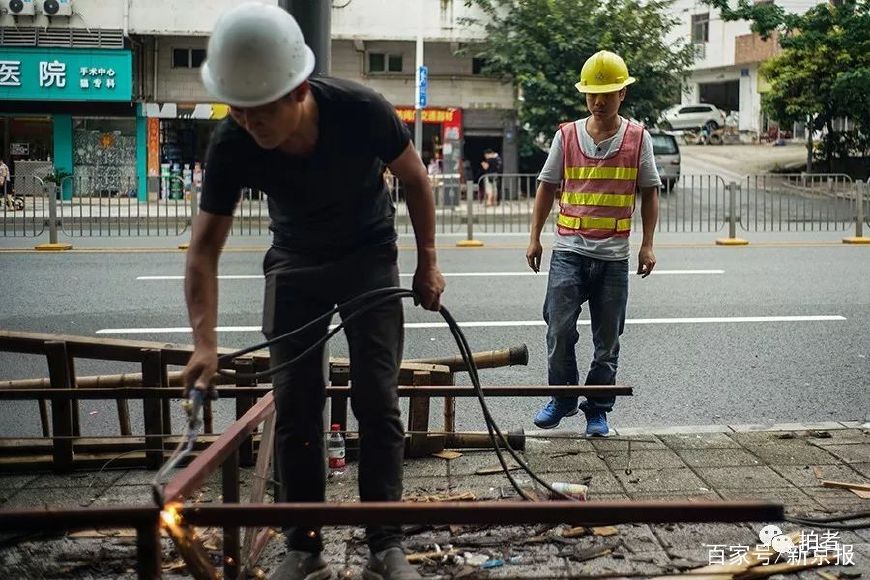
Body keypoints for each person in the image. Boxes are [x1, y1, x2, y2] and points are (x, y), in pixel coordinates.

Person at [182, 4, 445, 580]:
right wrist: (204, 342)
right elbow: (203, 250)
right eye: (241, 111)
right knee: (296, 402)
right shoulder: (233, 142)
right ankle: (303, 546)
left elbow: (416, 179)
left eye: (263, 110)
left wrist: (428, 263)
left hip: (368, 254)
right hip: (295, 260)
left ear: (299, 88)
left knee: (376, 398)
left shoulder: (361, 110)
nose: (252, 124)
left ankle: (385, 544)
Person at [526, 50, 659, 437]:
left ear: (622, 95)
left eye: (608, 93)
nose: (599, 102)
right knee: (559, 328)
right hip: (568, 250)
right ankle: (563, 397)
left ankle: (597, 408)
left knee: (607, 339)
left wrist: (647, 244)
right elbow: (547, 186)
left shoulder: (638, 139)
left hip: (613, 257)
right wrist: (534, 238)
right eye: (592, 94)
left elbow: (650, 192)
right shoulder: (566, 136)